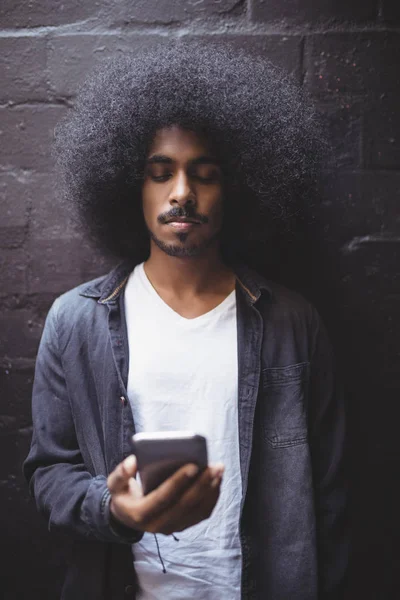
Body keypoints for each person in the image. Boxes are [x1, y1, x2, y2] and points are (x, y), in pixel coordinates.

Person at [23, 41, 348, 600]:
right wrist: (115, 508)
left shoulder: (294, 322)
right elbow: (49, 473)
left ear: (236, 186)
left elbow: (333, 495)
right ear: (132, 185)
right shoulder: (75, 323)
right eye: (160, 172)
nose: (182, 194)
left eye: (205, 174)